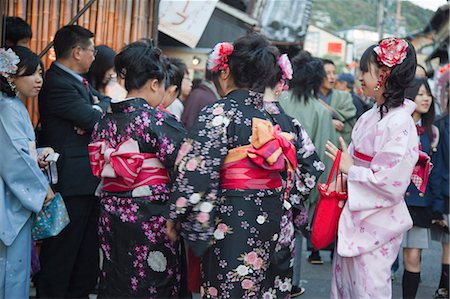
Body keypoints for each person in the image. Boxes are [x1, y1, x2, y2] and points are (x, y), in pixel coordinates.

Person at [166, 32, 323, 298]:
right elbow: (312, 166)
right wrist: (287, 200)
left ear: (225, 72)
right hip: (276, 219)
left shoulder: (219, 113)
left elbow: (195, 169)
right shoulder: (283, 121)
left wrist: (178, 213)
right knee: (268, 289)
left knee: (230, 288)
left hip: (232, 220)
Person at [88, 40, 186, 297]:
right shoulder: (159, 120)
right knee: (153, 279)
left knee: (117, 275)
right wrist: (179, 213)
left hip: (111, 209)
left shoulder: (104, 122)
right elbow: (185, 167)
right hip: (151, 214)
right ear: (155, 83)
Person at [324, 37, 419, 298]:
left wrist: (351, 169)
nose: (360, 76)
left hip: (377, 221)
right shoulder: (370, 115)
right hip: (355, 213)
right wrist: (344, 172)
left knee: (369, 289)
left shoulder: (399, 122)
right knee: (345, 285)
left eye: (365, 71)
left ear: (384, 75)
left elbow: (391, 182)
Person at [36, 25, 110, 298]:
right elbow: (96, 119)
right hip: (69, 181)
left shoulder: (78, 81)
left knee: (85, 257)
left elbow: (105, 106)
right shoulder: (56, 82)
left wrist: (94, 110)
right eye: (92, 50)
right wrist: (93, 114)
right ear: (77, 51)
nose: (94, 55)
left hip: (86, 180)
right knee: (62, 255)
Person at [279, 51, 338, 292]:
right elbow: (323, 158)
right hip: (301, 187)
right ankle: (291, 284)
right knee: (296, 236)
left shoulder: (277, 101)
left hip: (269, 180)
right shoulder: (320, 111)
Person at [0, 46, 54, 298]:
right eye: (32, 74)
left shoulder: (14, 105)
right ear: (10, 76)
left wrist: (38, 155)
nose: (39, 80)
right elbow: (13, 159)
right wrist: (42, 189)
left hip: (14, 194)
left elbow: (20, 153)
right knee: (10, 271)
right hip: (9, 196)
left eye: (41, 73)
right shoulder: (8, 108)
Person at [401, 77, 440, 299]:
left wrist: (437, 206)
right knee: (384, 259)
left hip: (419, 203)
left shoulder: (432, 131)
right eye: (420, 93)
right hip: (393, 200)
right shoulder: (396, 126)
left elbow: (437, 169)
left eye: (428, 94)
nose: (426, 98)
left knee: (413, 258)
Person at [430, 77, 449, 299]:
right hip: (447, 193)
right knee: (448, 246)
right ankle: (445, 287)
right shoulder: (442, 125)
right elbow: (438, 166)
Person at [318, 59, 356, 146]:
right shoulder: (310, 97)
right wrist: (328, 123)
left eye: (334, 73)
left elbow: (349, 119)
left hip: (338, 147)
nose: (332, 77)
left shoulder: (345, 96)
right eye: (327, 73)